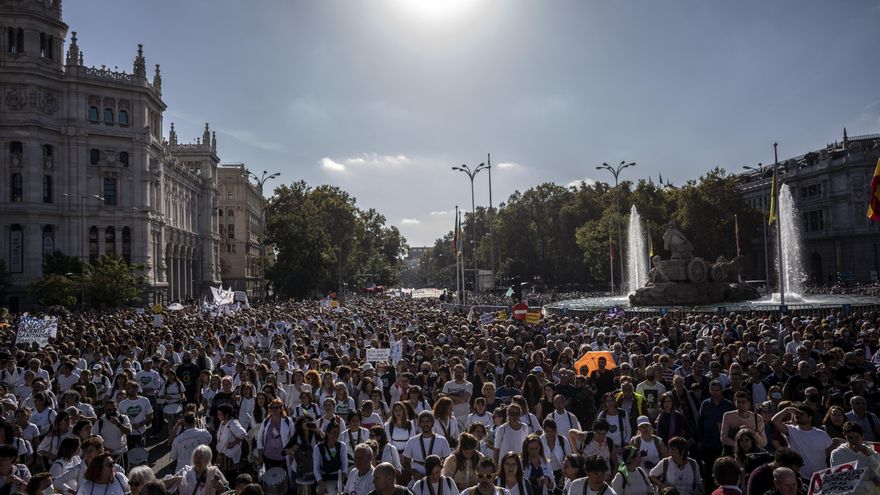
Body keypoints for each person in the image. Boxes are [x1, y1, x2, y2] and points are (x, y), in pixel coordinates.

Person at [770, 402, 835, 479]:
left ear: (810, 418)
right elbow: (774, 421)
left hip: (822, 477)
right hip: (801, 478)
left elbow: (831, 451)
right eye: (796, 413)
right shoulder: (791, 430)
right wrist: (787, 410)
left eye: (801, 414)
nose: (798, 415)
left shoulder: (822, 434)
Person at [829, 422, 880, 495]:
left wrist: (870, 456)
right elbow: (840, 482)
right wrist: (870, 484)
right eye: (850, 437)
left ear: (862, 436)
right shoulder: (837, 453)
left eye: (856, 437)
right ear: (844, 436)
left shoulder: (872, 452)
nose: (853, 441)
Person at [404, 411, 452, 483]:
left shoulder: (442, 440)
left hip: (437, 478)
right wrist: (414, 473)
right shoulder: (412, 441)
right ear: (420, 424)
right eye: (423, 421)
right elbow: (405, 463)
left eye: (428, 421)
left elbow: (448, 461)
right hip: (418, 479)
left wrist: (437, 472)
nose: (425, 424)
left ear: (432, 423)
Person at [255, 399, 295, 471]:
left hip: (283, 457)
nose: (274, 409)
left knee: (283, 479)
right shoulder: (266, 421)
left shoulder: (288, 421)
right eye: (272, 408)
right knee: (270, 480)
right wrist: (260, 456)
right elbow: (260, 439)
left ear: (281, 408)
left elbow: (293, 438)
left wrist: (292, 453)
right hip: (268, 457)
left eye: (276, 407)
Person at [93, 399, 133, 467]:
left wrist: (118, 424)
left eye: (114, 409)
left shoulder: (123, 418)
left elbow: (129, 432)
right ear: (105, 409)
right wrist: (104, 448)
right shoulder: (100, 422)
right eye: (109, 410)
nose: (112, 412)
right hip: (106, 456)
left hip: (121, 454)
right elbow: (94, 438)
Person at [313, 418, 348, 495]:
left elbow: (344, 466)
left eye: (338, 433)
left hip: (337, 477)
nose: (336, 435)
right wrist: (321, 483)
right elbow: (316, 469)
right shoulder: (318, 448)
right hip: (323, 477)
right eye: (333, 432)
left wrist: (341, 481)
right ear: (327, 433)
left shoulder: (342, 446)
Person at [215, 403, 248, 481]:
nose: (218, 416)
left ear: (226, 415)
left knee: (231, 476)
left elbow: (243, 433)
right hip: (224, 455)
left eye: (220, 414)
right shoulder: (222, 423)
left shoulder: (233, 423)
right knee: (226, 475)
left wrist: (233, 443)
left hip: (231, 456)